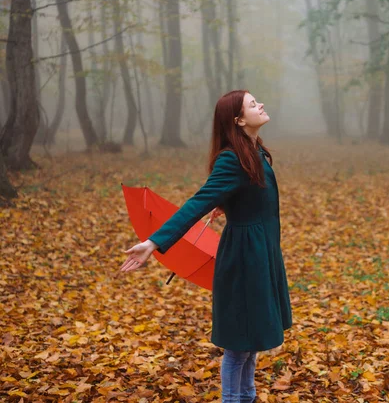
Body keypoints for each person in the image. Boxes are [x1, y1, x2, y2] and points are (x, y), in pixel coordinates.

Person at [120, 90, 293, 403]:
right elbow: (196, 203)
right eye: (253, 104)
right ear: (238, 120)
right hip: (244, 258)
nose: (261, 105)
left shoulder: (255, 152)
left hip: (262, 253)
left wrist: (230, 202)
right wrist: (154, 242)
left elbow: (252, 195)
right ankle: (233, 399)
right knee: (239, 343)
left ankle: (247, 396)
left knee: (252, 338)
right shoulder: (232, 159)